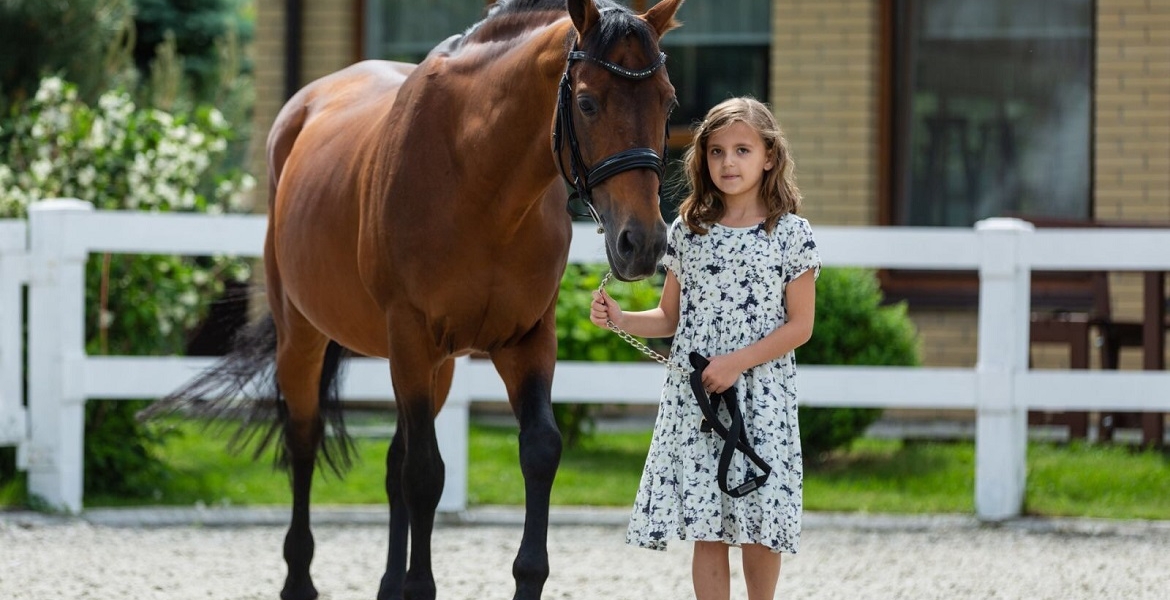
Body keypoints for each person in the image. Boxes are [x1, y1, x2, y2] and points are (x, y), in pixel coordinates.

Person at [590, 96, 820, 600]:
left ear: (769, 157)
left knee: (759, 521)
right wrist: (622, 318)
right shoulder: (688, 231)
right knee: (707, 523)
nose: (728, 162)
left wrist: (735, 364)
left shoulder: (790, 235)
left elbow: (800, 325)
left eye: (742, 149)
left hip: (761, 399)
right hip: (696, 402)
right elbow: (670, 317)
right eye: (716, 152)